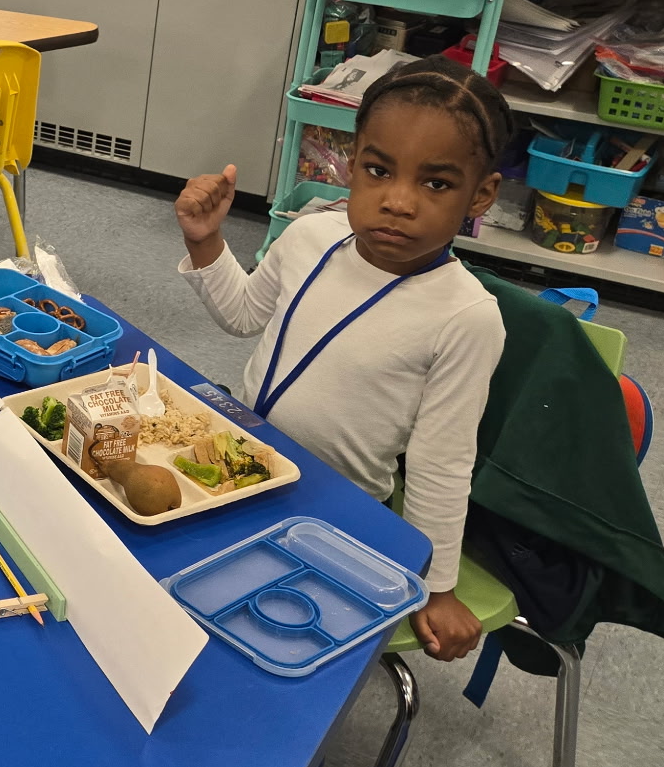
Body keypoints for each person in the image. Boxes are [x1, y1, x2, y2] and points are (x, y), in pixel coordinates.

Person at [173, 55, 511, 661]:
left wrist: (439, 588)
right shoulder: (310, 235)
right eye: (379, 171)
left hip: (337, 513)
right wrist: (208, 244)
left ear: (480, 195)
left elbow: (442, 464)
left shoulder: (466, 317)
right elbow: (245, 315)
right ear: (351, 167)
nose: (399, 202)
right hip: (238, 462)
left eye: (435, 183)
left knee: (254, 647)